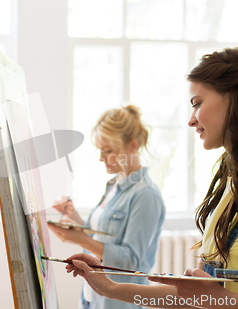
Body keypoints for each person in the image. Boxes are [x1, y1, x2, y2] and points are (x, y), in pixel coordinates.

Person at [65, 47, 238, 308]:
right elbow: (197, 298)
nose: (191, 120)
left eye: (197, 103)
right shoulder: (232, 187)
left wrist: (223, 300)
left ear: (236, 100)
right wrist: (109, 287)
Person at [48, 105, 166, 309]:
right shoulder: (113, 185)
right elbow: (102, 239)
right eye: (100, 150)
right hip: (92, 298)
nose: (101, 158)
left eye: (108, 150)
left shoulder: (145, 195)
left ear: (133, 146)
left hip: (118, 303)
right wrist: (75, 218)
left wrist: (81, 238)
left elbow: (130, 261)